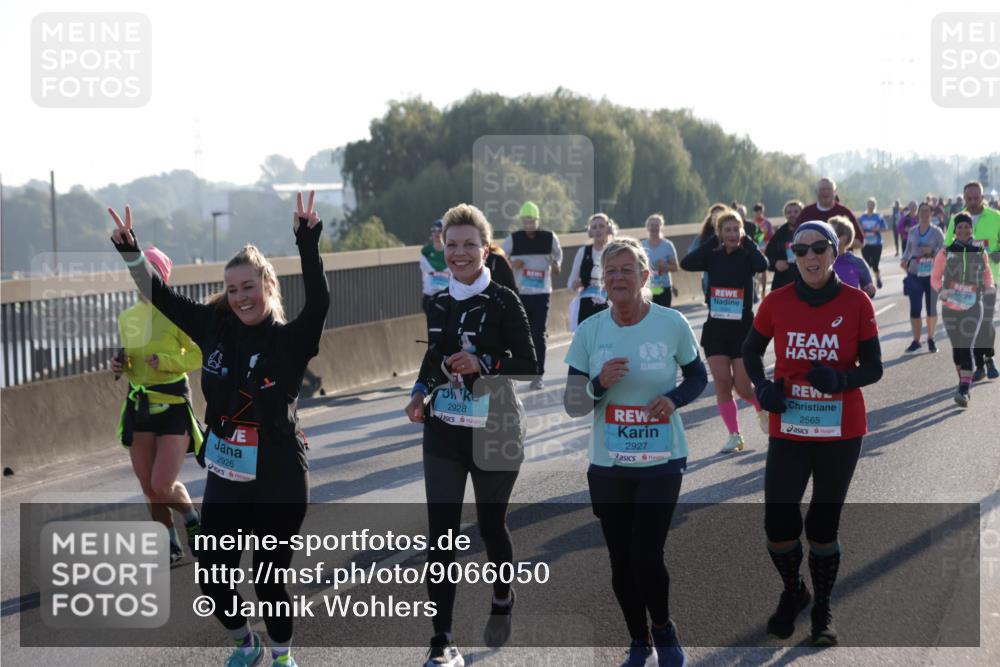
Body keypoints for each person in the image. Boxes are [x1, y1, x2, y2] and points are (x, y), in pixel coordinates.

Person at [109, 191, 329, 667]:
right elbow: (159, 295)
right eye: (232, 290)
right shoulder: (215, 326)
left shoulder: (290, 340)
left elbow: (320, 301)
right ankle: (245, 644)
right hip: (228, 468)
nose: (241, 297)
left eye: (248, 287)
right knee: (212, 577)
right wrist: (131, 250)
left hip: (278, 471)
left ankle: (283, 658)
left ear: (267, 284)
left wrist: (307, 243)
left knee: (269, 578)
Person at [563, 237, 707, 667]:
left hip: (661, 457)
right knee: (621, 560)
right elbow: (573, 404)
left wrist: (674, 400)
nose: (618, 277)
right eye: (610, 272)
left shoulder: (671, 323)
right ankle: (638, 639)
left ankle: (663, 630)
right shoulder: (591, 331)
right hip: (609, 462)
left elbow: (697, 376)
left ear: (646, 276)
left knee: (647, 553)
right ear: (602, 283)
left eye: (627, 269)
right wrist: (600, 383)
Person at [404, 204, 536, 667]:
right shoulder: (438, 301)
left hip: (496, 427)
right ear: (442, 248)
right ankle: (442, 640)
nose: (459, 253)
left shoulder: (503, 299)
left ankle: (502, 592)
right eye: (451, 244)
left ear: (485, 248)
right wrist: (420, 390)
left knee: (490, 526)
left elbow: (529, 362)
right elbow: (434, 353)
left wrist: (485, 363)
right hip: (446, 427)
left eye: (469, 244)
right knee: (440, 534)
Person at [743, 220, 883, 647]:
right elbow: (751, 350)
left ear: (834, 252)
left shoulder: (857, 302)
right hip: (791, 424)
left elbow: (873, 368)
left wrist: (841, 380)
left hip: (841, 429)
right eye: (800, 250)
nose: (809, 258)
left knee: (823, 525)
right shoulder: (778, 301)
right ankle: (794, 591)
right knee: (778, 522)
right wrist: (764, 388)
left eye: (818, 248)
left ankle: (822, 607)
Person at [112, 245, 203, 565]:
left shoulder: (175, 314)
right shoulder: (127, 318)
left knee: (161, 483)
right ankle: (170, 543)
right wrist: (119, 365)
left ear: (159, 278)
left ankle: (192, 517)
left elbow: (197, 355)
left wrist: (164, 361)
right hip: (141, 406)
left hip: (174, 403)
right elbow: (130, 363)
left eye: (148, 275)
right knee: (148, 487)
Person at [681, 208, 769, 452]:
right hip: (716, 328)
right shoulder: (712, 255)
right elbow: (686, 263)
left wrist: (749, 242)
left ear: (742, 231)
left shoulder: (747, 256)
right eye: (726, 229)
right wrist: (711, 241)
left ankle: (763, 407)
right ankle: (734, 435)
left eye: (736, 229)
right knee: (722, 382)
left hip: (742, 329)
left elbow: (763, 264)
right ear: (719, 233)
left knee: (742, 387)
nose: (732, 234)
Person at [932, 212, 996, 406]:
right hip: (950, 307)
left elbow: (987, 274)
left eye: (966, 227)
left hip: (972, 305)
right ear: (954, 230)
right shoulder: (946, 252)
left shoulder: (979, 251)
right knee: (956, 351)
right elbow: (935, 277)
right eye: (959, 227)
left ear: (972, 229)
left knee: (966, 346)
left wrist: (989, 286)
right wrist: (940, 290)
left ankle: (964, 390)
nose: (963, 230)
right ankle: (963, 380)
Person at [502, 201, 563, 390]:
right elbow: (498, 257)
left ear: (537, 221)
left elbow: (558, 257)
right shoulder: (514, 239)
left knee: (538, 334)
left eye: (532, 221)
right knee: (519, 334)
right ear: (522, 221)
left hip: (542, 292)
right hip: (520, 294)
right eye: (525, 221)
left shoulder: (549, 238)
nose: (529, 225)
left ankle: (538, 375)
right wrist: (513, 263)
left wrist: (556, 265)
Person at [944, 181, 1000, 380]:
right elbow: (947, 246)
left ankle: (988, 357)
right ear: (964, 197)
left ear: (982, 197)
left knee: (986, 322)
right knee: (972, 324)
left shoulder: (995, 217)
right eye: (969, 198)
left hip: (988, 279)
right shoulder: (956, 219)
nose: (973, 201)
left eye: (976, 197)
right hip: (963, 284)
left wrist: (997, 252)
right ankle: (980, 365)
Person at [901, 202, 945, 353]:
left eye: (927, 212)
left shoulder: (937, 231)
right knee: (915, 308)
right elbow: (908, 250)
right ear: (918, 214)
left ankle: (931, 339)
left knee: (931, 309)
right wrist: (904, 259)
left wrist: (932, 251)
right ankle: (916, 341)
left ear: (931, 214)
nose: (925, 214)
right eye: (922, 211)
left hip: (932, 275)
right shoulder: (913, 231)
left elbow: (945, 250)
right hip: (914, 273)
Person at [570, 213, 617, 326]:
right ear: (590, 231)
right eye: (594, 227)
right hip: (586, 304)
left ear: (608, 228)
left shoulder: (615, 250)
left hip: (609, 303)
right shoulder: (583, 252)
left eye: (601, 226)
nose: (598, 230)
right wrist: (575, 284)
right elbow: (571, 282)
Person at [798, 178, 863, 249]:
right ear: (816, 192)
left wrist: (839, 243)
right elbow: (796, 238)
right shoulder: (806, 212)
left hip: (840, 259)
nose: (826, 192)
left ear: (835, 192)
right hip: (812, 258)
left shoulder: (845, 212)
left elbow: (860, 242)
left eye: (829, 189)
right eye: (822, 189)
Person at [686, 203, 729, 302]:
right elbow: (690, 255)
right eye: (714, 217)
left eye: (720, 216)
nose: (717, 219)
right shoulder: (703, 238)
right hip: (710, 281)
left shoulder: (733, 236)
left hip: (730, 283)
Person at [829, 217, 876, 298]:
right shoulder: (821, 262)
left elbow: (869, 292)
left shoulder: (857, 263)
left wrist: (870, 290)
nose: (826, 237)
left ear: (844, 238)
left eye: (831, 234)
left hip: (851, 309)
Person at [765, 199, 804, 291]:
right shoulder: (779, 234)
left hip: (805, 282)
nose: (792, 214)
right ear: (785, 215)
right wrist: (775, 264)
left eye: (795, 212)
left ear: (802, 213)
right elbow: (767, 257)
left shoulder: (809, 232)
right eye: (789, 212)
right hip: (782, 283)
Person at [641, 213, 679, 308]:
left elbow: (675, 267)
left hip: (663, 287)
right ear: (647, 227)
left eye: (657, 225)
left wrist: (665, 266)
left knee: (663, 316)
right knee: (648, 316)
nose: (654, 228)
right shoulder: (642, 245)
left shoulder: (667, 245)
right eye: (652, 225)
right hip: (647, 287)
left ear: (661, 227)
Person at [420, 219, 450, 327]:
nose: (437, 233)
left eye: (440, 230)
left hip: (447, 297)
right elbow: (426, 270)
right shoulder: (426, 251)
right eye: (434, 230)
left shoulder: (450, 251)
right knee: (433, 328)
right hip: (430, 297)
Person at [858, 198, 887, 288]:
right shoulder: (862, 217)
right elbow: (857, 228)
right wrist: (861, 229)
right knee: (867, 263)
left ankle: (878, 278)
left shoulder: (879, 216)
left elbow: (885, 227)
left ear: (875, 206)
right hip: (865, 243)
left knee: (875, 264)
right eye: (869, 204)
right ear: (867, 206)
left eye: (872, 204)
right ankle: (867, 282)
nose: (871, 206)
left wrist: (877, 229)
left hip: (877, 244)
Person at [752, 203, 774, 299]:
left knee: (763, 269)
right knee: (755, 271)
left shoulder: (767, 223)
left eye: (760, 211)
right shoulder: (752, 224)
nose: (758, 213)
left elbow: (771, 236)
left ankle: (763, 291)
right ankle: (756, 289)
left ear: (763, 211)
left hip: (765, 248)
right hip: (755, 248)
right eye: (756, 212)